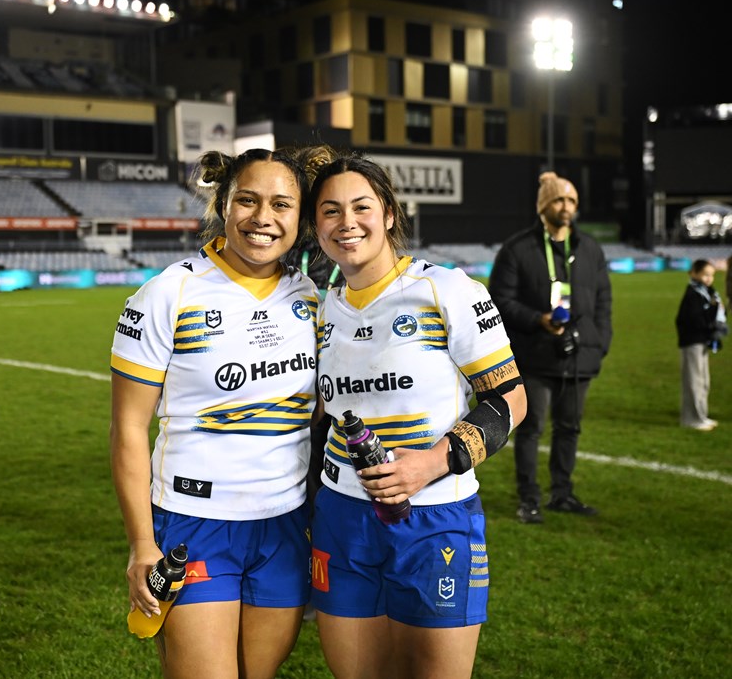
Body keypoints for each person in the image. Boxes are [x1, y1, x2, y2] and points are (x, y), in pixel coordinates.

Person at [307, 149, 527, 679]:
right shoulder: (319, 310)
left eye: (361, 207)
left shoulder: (444, 289)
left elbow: (511, 398)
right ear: (315, 227)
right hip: (341, 518)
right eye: (330, 211)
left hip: (436, 516)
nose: (347, 223)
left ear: (388, 214)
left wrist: (430, 463)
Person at [109, 147, 320, 679]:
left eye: (281, 204)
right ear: (223, 204)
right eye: (247, 200)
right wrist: (141, 544)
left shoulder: (310, 295)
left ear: (300, 216)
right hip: (192, 525)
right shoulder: (166, 294)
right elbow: (129, 428)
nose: (263, 218)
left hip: (283, 525)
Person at [489, 171, 612, 524]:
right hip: (535, 355)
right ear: (544, 206)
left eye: (571, 200)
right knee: (531, 430)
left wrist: (600, 342)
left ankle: (563, 493)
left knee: (570, 429)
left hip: (581, 357)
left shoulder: (590, 249)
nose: (566, 207)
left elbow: (604, 300)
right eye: (559, 200)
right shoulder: (518, 249)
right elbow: (499, 300)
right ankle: (529, 498)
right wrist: (537, 319)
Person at [675, 259, 727, 430]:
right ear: (694, 273)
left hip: (702, 341)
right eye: (705, 275)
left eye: (711, 275)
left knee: (703, 381)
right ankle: (692, 419)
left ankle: (701, 416)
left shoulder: (708, 293)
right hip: (692, 342)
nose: (708, 279)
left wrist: (717, 327)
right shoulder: (692, 294)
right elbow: (688, 320)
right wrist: (709, 327)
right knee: (694, 382)